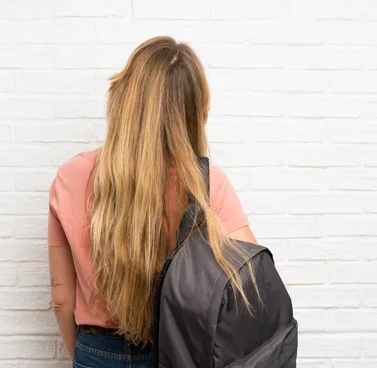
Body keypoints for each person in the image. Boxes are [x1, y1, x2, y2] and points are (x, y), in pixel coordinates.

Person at [47, 36, 257, 368]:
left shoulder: (70, 176)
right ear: (193, 109)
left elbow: (61, 299)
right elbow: (249, 285)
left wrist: (86, 356)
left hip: (94, 350)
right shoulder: (206, 182)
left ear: (125, 96)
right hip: (178, 353)